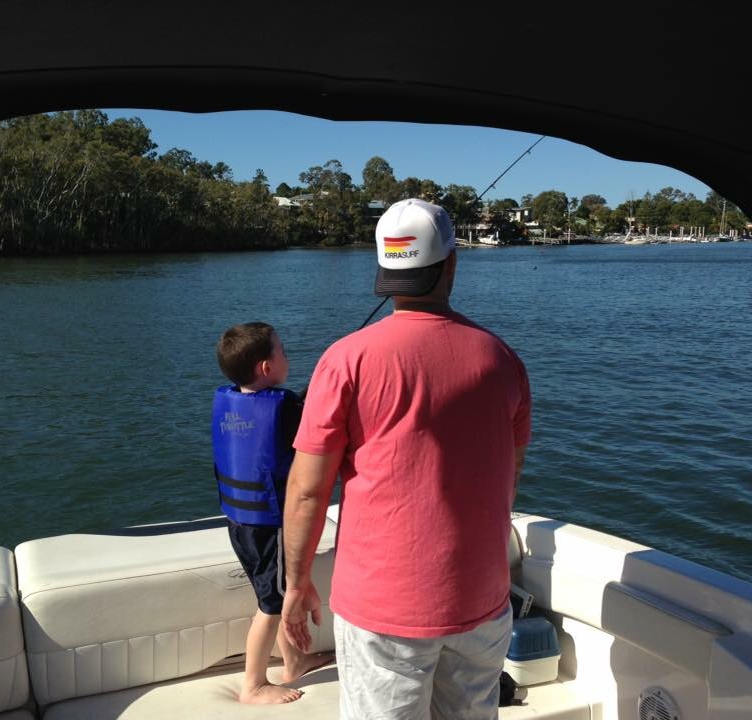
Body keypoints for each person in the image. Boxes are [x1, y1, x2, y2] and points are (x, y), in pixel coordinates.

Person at [281, 199, 531, 719]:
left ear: (385, 271)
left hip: (383, 609)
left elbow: (307, 491)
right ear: (451, 264)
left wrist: (297, 582)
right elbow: (509, 478)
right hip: (482, 600)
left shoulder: (345, 359)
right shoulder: (503, 359)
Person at [212, 321, 332, 704]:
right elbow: (313, 426)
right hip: (269, 525)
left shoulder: (230, 401)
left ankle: (294, 662)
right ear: (266, 367)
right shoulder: (284, 407)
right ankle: (253, 685)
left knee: (273, 593)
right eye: (283, 351)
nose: (288, 357)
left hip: (238, 521)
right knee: (272, 604)